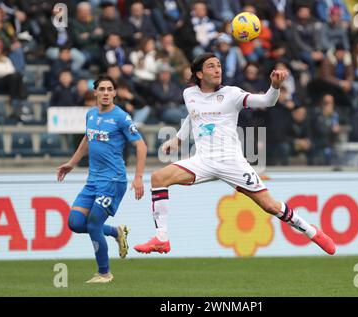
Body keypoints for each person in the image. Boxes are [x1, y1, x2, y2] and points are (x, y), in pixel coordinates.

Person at [133, 53, 336, 256]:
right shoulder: (190, 94)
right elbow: (193, 115)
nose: (217, 69)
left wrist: (274, 86)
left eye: (219, 65)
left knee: (270, 205)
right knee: (159, 178)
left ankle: (311, 231)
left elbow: (267, 101)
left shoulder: (233, 94)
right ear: (199, 73)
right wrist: (178, 139)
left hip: (232, 162)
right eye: (211, 66)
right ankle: (161, 238)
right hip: (203, 160)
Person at [57, 75, 147, 283]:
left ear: (115, 93)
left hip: (113, 181)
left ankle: (104, 273)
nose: (106, 93)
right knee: (76, 222)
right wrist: (72, 162)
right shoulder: (90, 114)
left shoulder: (121, 117)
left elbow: (141, 145)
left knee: (94, 223)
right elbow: (88, 138)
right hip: (93, 181)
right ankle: (116, 231)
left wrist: (139, 177)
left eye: (109, 89)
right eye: (102, 89)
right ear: (95, 92)